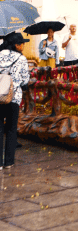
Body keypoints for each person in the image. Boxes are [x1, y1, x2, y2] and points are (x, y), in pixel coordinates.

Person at [0, 32, 30, 170]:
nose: (23, 45)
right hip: (13, 98)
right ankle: (9, 162)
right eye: (22, 43)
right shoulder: (21, 59)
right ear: (17, 45)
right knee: (11, 129)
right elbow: (25, 80)